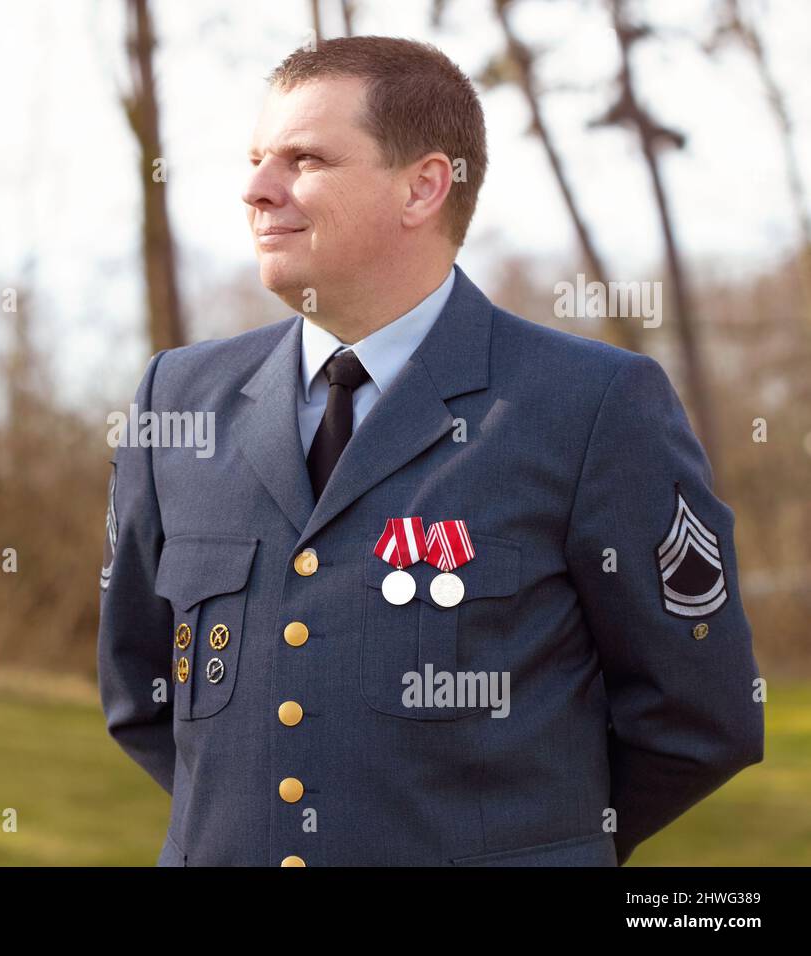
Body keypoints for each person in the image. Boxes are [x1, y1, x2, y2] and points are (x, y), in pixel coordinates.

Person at [96, 36, 762, 866]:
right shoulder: (178, 400)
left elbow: (700, 720)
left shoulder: (589, 407)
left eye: (303, 159)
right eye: (257, 157)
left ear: (423, 186)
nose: (257, 189)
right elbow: (140, 694)